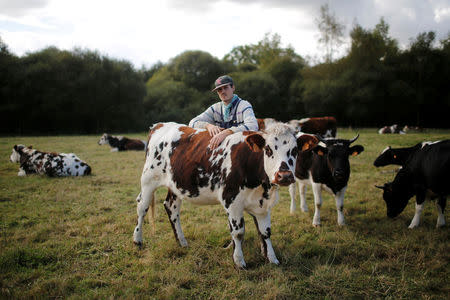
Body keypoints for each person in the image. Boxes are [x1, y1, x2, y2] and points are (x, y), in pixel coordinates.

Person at [189, 75, 259, 149]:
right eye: (219, 89)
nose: (223, 91)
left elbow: (253, 126)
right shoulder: (214, 108)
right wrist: (208, 126)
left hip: (242, 149)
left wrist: (228, 132)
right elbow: (192, 123)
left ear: (233, 88)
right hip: (222, 154)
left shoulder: (244, 105)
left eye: (225, 87)